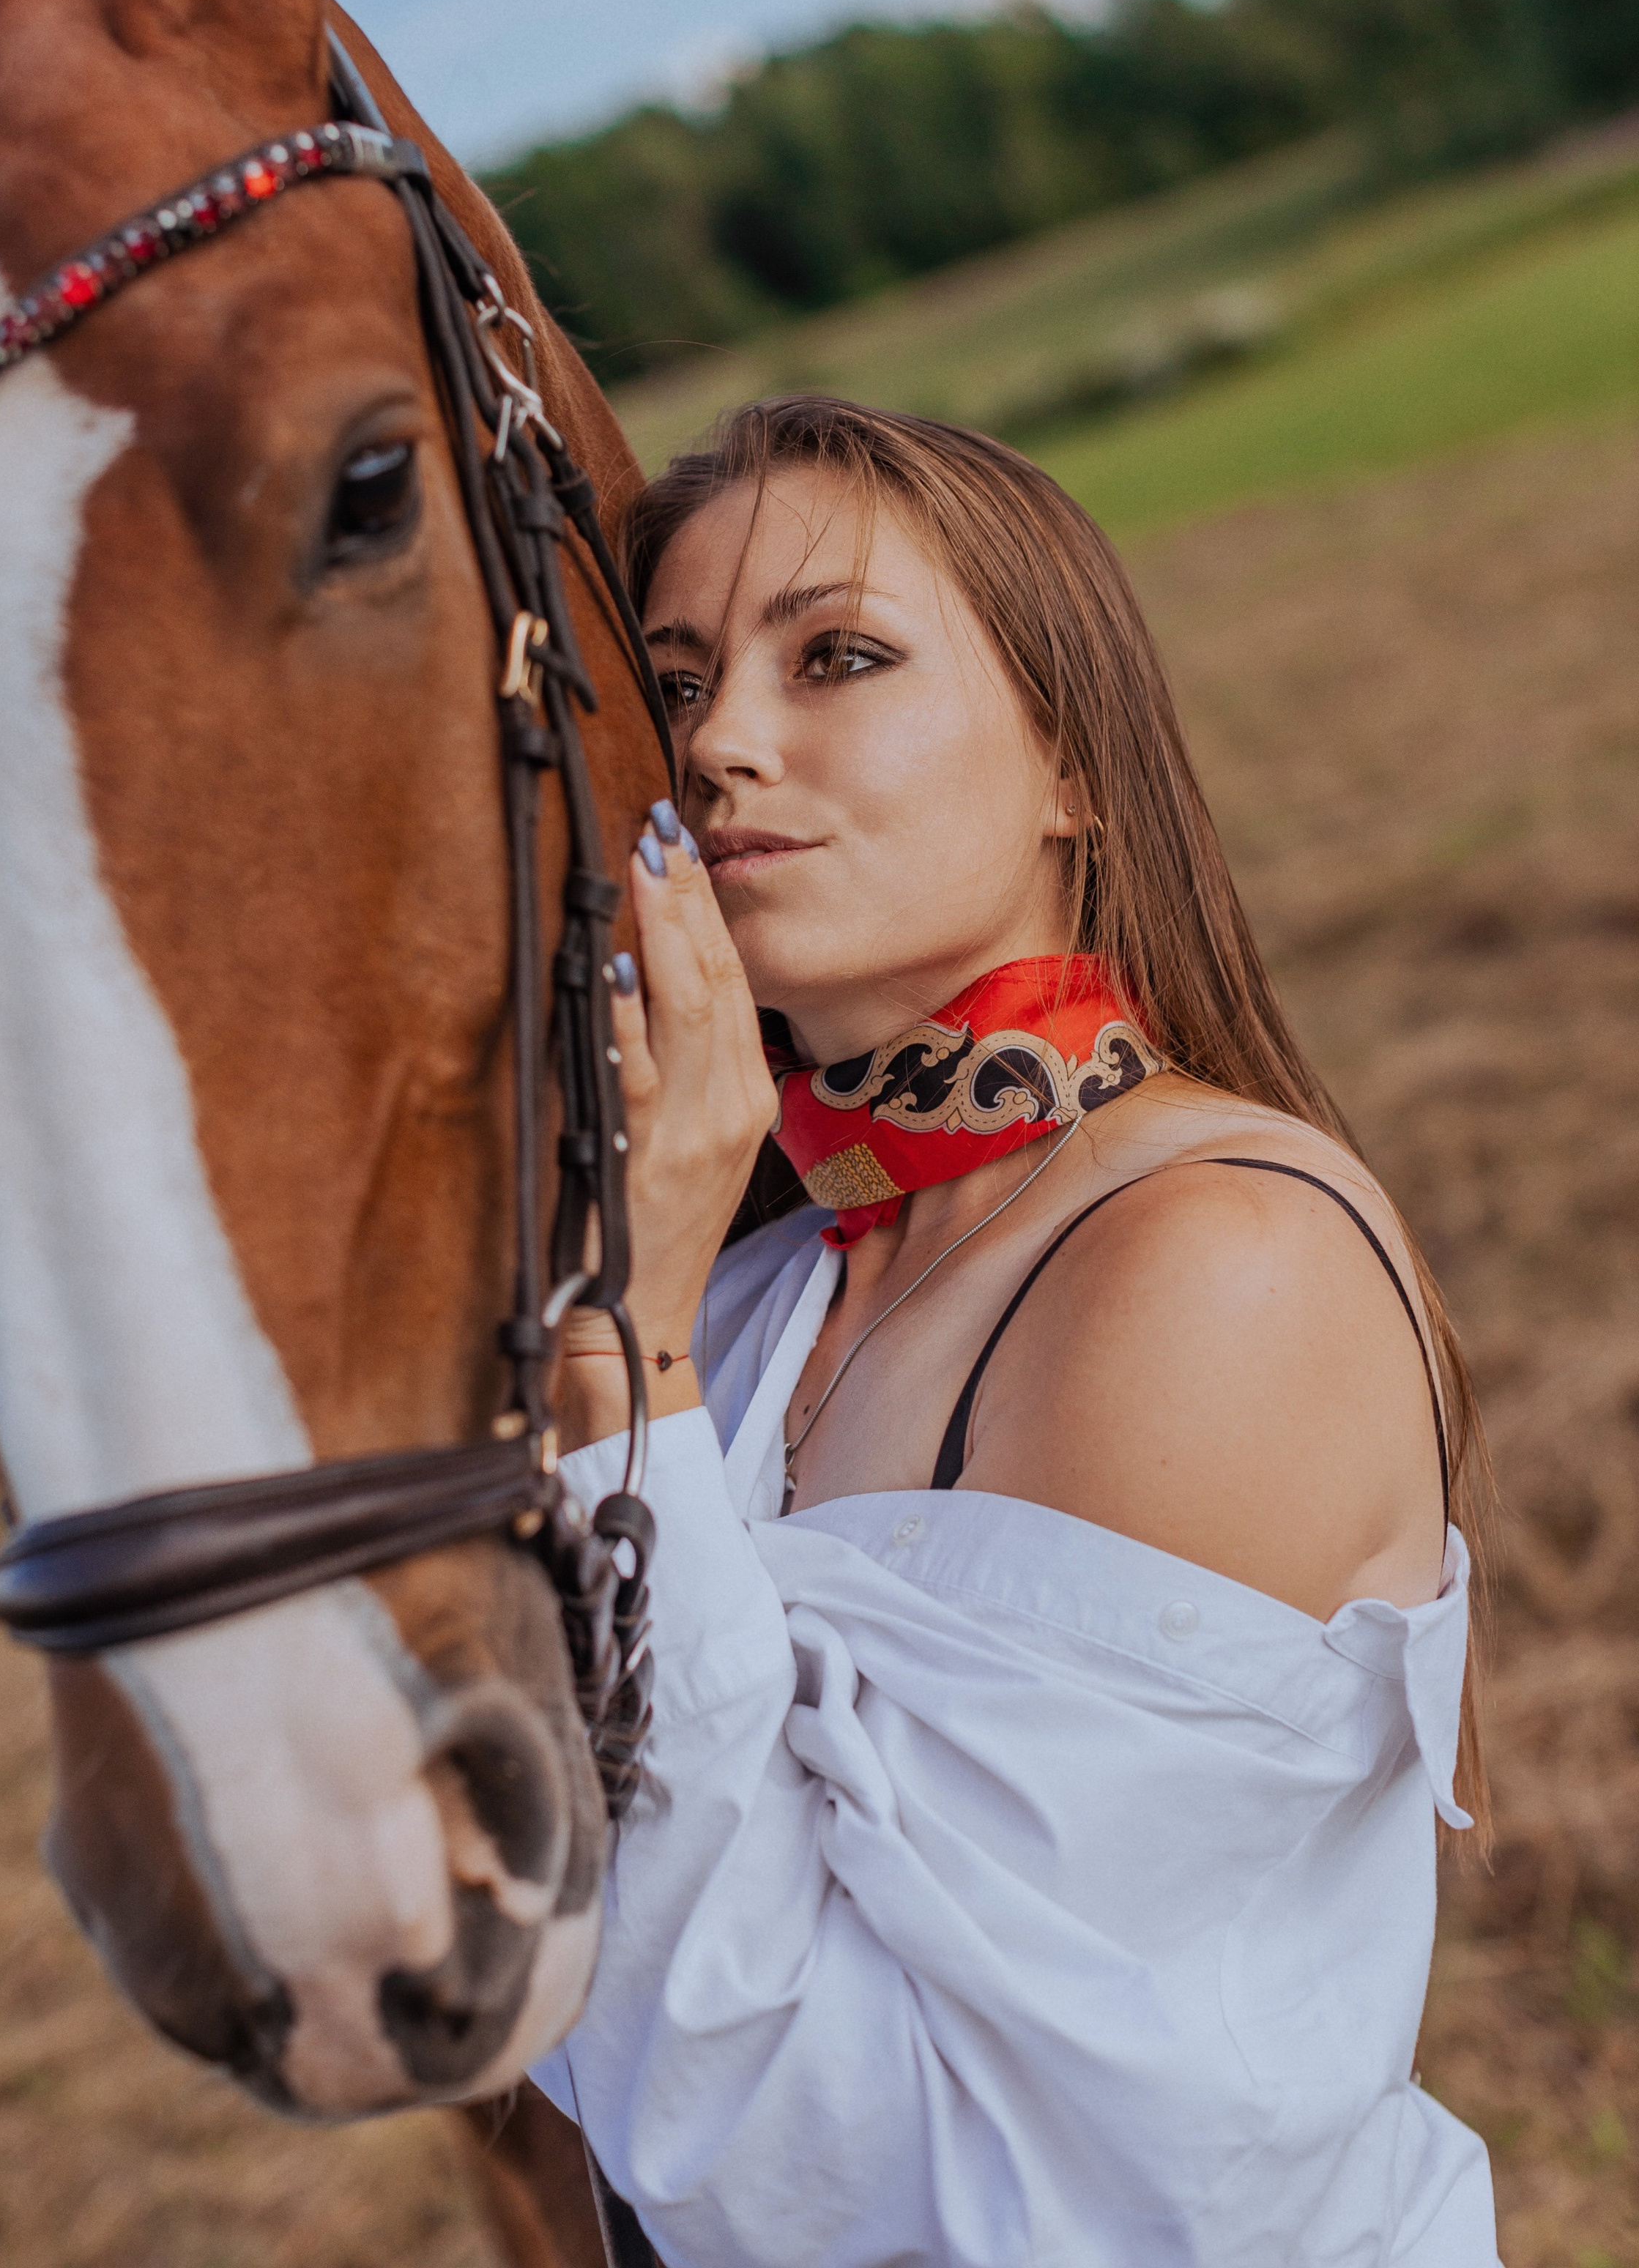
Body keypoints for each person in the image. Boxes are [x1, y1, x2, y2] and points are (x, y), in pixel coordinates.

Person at [533, 395, 1498, 2267]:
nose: (719, 743)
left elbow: (903, 2185)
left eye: (838, 658)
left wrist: (623, 1397)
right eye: (672, 683)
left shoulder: (1210, 1267)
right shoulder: (754, 1282)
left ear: (1070, 760)